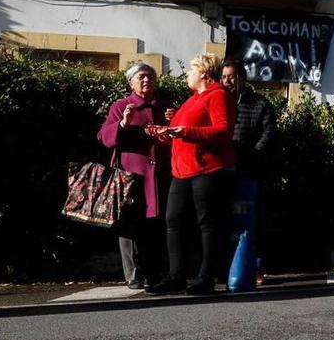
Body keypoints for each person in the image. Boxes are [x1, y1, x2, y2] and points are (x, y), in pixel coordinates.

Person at [147, 54, 236, 295]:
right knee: (173, 221)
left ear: (204, 74)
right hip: (182, 170)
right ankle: (176, 276)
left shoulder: (218, 95)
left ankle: (206, 276)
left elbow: (223, 131)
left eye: (191, 71)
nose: (187, 74)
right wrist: (164, 133)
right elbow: (181, 135)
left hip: (207, 169)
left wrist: (184, 131)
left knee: (207, 223)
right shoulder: (192, 100)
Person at [97, 62, 174, 289]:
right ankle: (133, 273)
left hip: (160, 174)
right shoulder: (121, 106)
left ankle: (155, 271)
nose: (147, 80)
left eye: (150, 76)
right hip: (131, 175)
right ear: (131, 82)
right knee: (129, 225)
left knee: (155, 224)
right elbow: (103, 136)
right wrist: (122, 123)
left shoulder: (167, 107)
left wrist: (176, 120)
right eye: (141, 76)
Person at [221, 60, 277, 285]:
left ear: (243, 78)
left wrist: (253, 155)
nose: (228, 81)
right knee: (225, 221)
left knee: (252, 221)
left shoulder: (259, 103)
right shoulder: (217, 101)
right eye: (224, 77)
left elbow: (270, 132)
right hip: (222, 170)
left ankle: (255, 268)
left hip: (250, 170)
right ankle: (225, 268)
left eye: (232, 76)